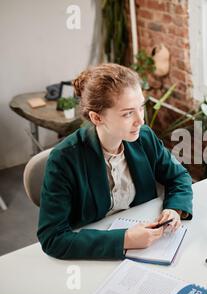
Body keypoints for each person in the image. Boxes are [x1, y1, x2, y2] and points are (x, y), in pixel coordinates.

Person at [37, 63, 193, 260]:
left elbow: (178, 176)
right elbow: (53, 238)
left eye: (141, 108)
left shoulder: (144, 137)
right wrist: (125, 239)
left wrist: (174, 208)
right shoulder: (64, 159)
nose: (141, 121)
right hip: (95, 253)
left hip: (148, 243)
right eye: (128, 113)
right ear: (96, 117)